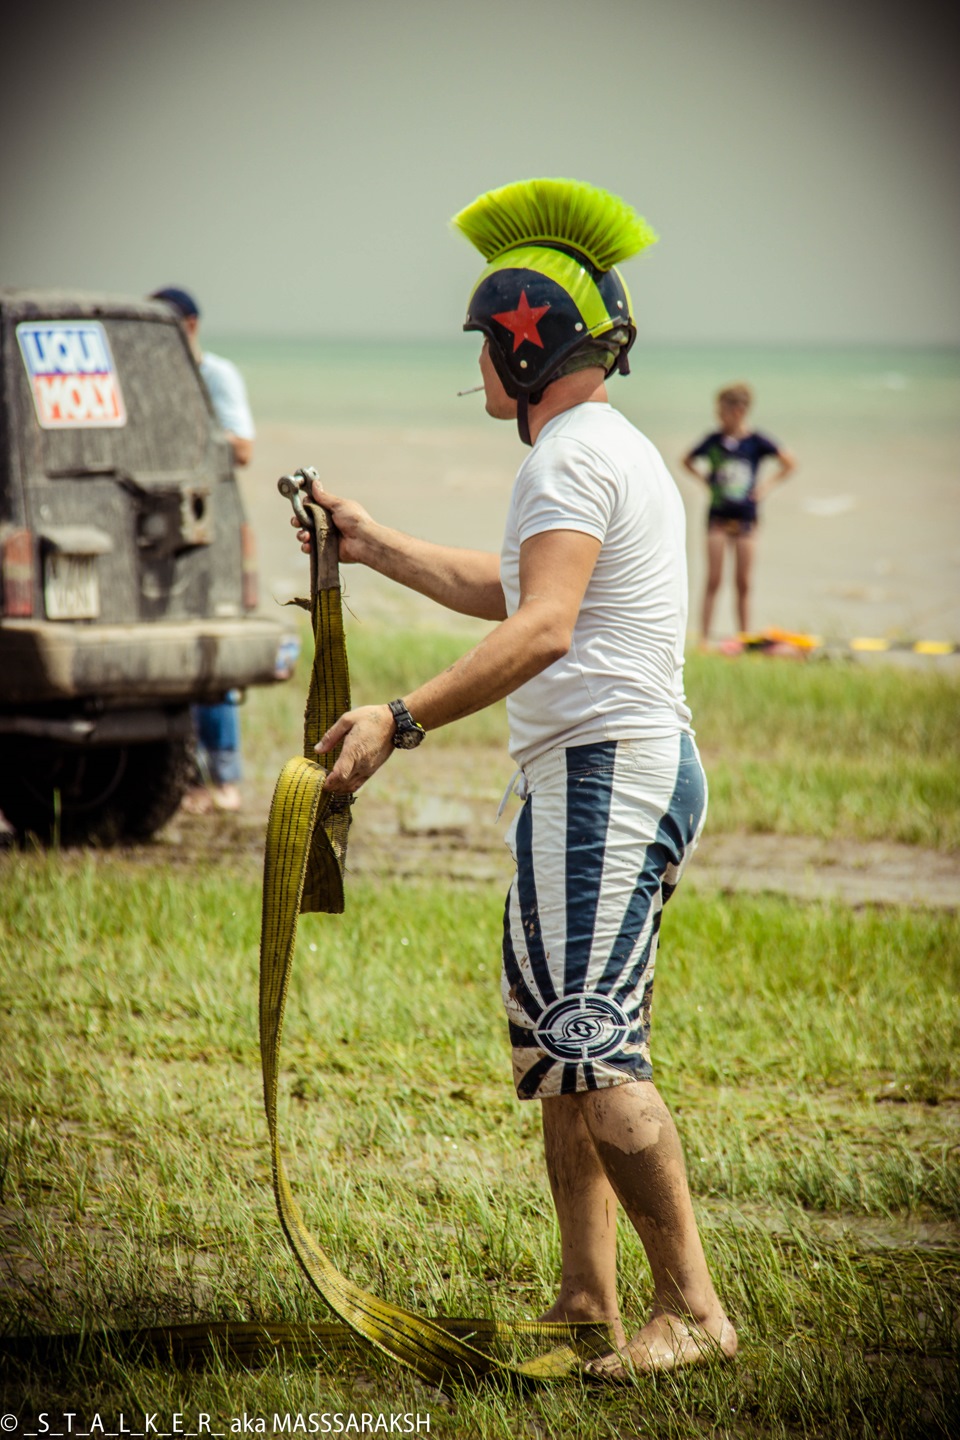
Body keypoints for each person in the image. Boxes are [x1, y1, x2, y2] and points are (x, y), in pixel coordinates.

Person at [294, 179, 737, 1380]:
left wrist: (398, 717)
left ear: (520, 338)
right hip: (608, 770)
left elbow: (542, 630)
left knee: (592, 1045)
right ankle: (587, 1302)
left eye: (483, 344)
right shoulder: (602, 451)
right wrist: (375, 546)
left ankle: (690, 1311)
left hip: (605, 773)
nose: (479, 366)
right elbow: (518, 592)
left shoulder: (565, 460)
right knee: (559, 1059)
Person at [151, 286, 256, 813]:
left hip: (209, 527)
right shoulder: (146, 382)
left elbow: (242, 448)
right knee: (172, 658)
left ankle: (227, 778)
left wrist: (188, 428)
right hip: (157, 532)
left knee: (212, 657)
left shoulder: (215, 375)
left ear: (190, 325)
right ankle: (188, 778)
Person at [681, 383, 796, 644]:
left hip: (747, 520)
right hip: (717, 519)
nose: (718, 415)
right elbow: (686, 460)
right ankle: (704, 640)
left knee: (743, 583)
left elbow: (789, 462)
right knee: (713, 580)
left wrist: (765, 487)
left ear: (739, 410)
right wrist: (705, 481)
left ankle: (744, 639)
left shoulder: (757, 442)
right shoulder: (713, 440)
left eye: (722, 410)